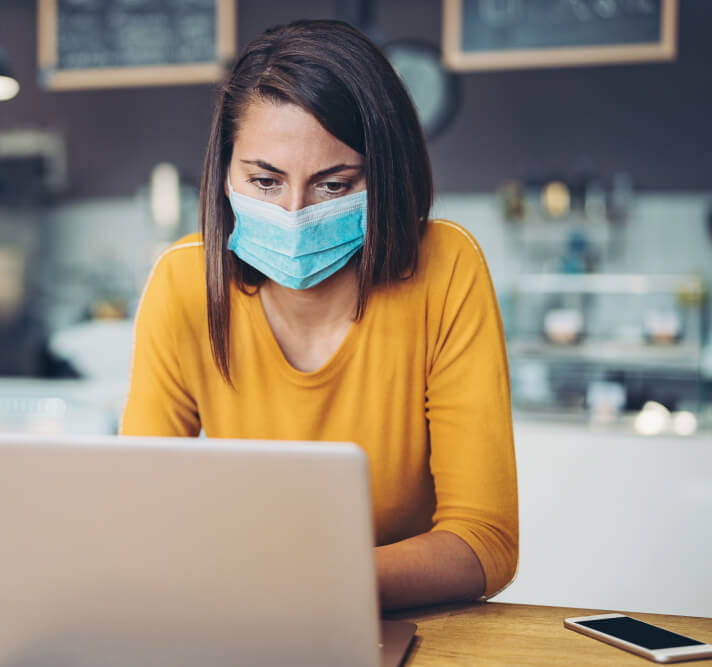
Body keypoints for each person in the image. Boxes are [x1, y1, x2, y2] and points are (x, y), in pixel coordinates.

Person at [121, 20, 518, 611]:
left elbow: (485, 543)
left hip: (409, 626)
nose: (294, 212)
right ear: (224, 172)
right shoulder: (184, 281)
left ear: (386, 177)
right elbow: (139, 513)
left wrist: (304, 586)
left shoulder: (446, 267)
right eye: (264, 181)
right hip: (239, 617)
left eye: (334, 185)